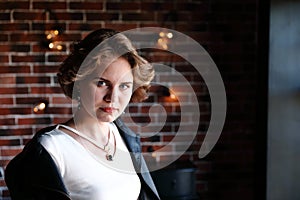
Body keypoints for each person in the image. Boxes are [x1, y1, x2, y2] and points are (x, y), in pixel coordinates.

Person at [5, 28, 160, 200]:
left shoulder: (123, 135)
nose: (112, 98)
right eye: (102, 83)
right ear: (78, 82)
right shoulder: (52, 148)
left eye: (123, 86)